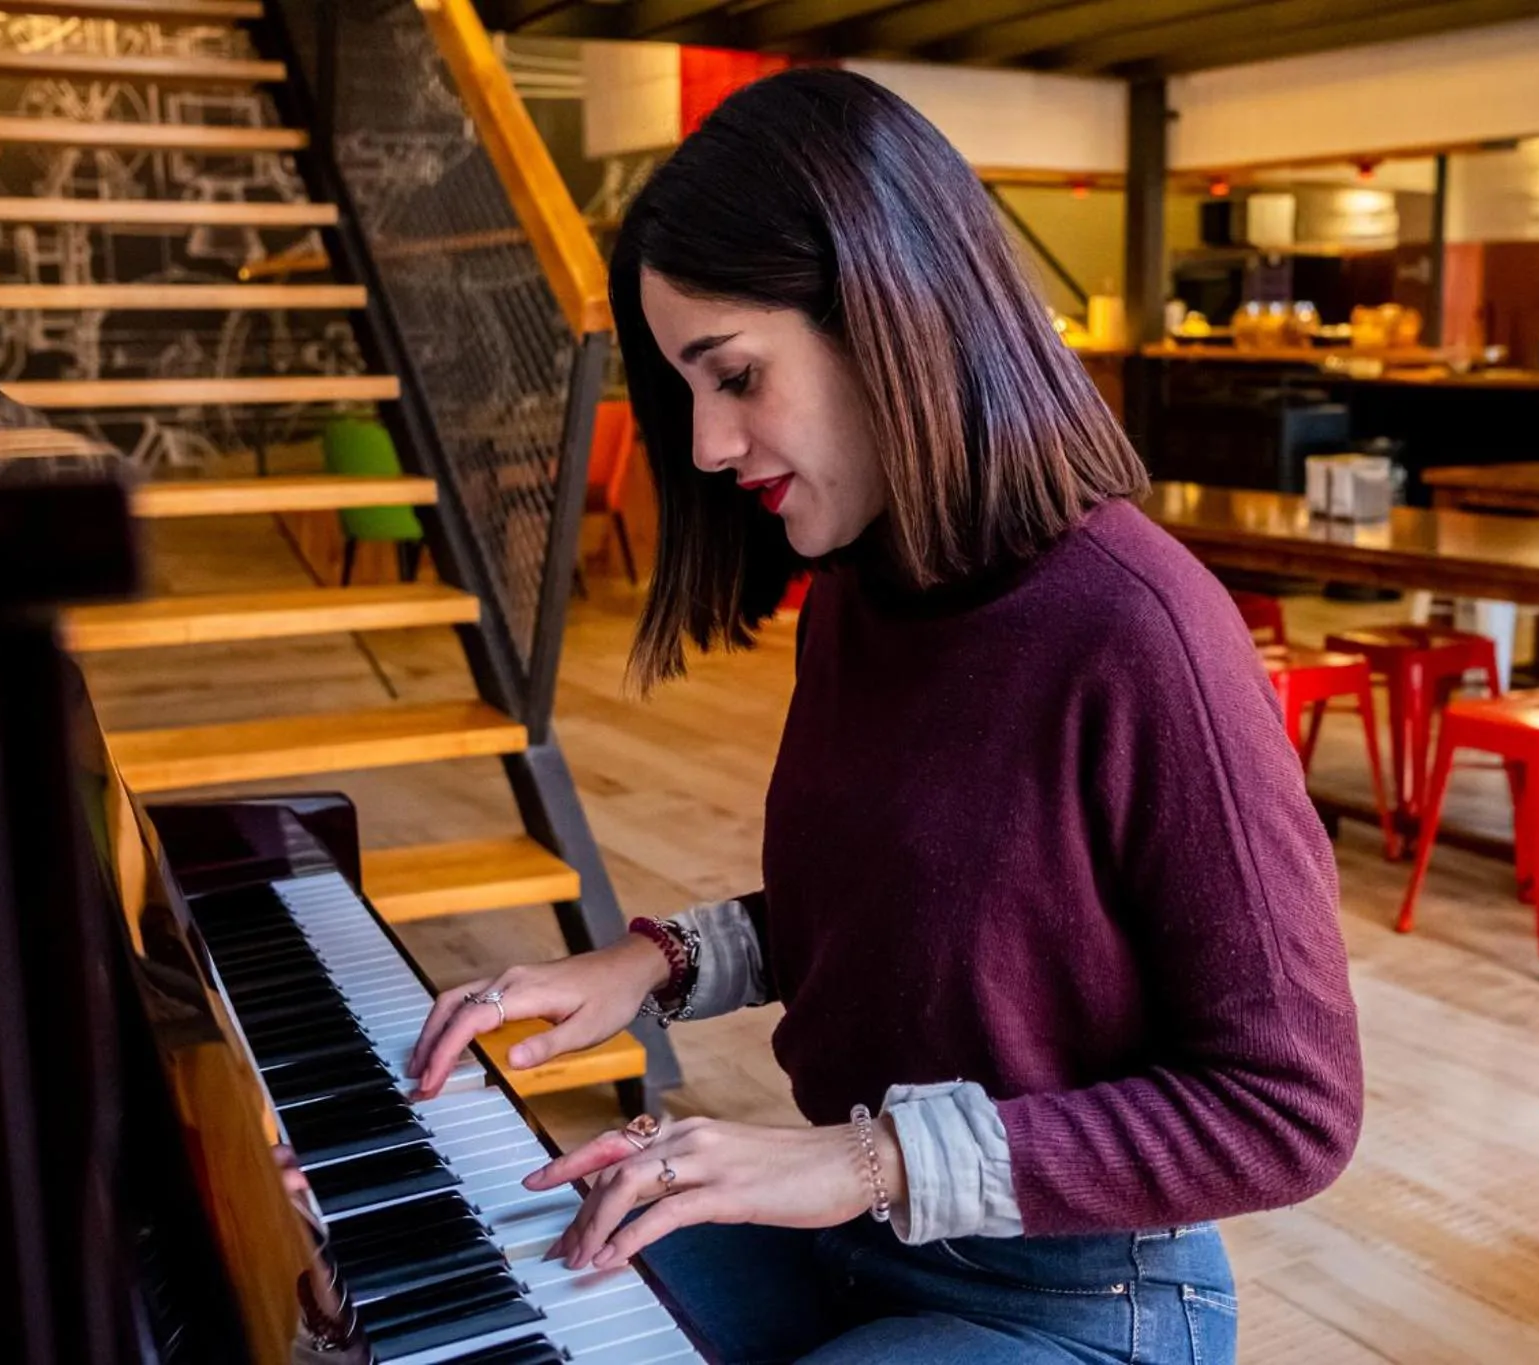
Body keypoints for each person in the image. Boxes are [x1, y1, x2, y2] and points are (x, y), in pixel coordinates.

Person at [407, 68, 1361, 1365]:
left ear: (890, 321)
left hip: (1083, 1298)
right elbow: (892, 911)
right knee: (481, 1296)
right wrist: (645, 967)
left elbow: (1288, 1109)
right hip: (854, 1244)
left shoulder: (1143, 632)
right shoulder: (866, 592)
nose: (703, 444)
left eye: (735, 375)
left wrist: (863, 1160)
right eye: (687, 390)